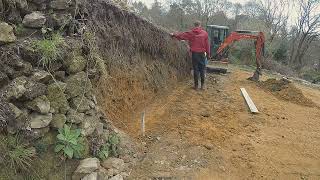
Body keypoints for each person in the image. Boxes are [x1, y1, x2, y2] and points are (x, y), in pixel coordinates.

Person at [171, 21, 210, 90]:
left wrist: (174, 34)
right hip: (202, 54)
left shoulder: (191, 33)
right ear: (200, 25)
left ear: (194, 25)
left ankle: (196, 86)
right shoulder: (205, 33)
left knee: (196, 69)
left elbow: (182, 35)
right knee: (202, 69)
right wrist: (208, 54)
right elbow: (207, 45)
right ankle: (203, 86)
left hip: (194, 54)